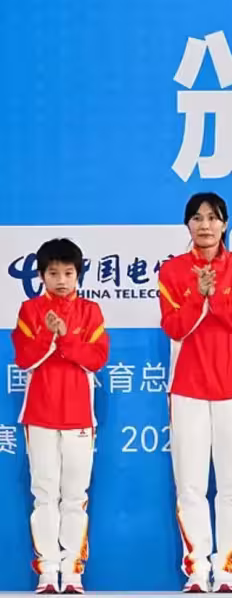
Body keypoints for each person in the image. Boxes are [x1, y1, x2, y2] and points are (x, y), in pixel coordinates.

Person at [157, 192, 232, 593]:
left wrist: (214, 295)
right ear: (187, 224)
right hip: (187, 390)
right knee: (190, 486)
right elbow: (174, 327)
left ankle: (226, 570)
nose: (205, 225)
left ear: (225, 224)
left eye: (213, 218)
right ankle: (197, 570)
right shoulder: (172, 271)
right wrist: (197, 295)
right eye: (197, 218)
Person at [11, 238, 110, 595]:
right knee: (44, 495)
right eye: (53, 273)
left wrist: (66, 338)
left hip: (79, 418)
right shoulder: (29, 311)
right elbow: (24, 358)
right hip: (39, 416)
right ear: (41, 276)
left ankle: (72, 572)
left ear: (78, 274)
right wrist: (47, 334)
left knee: (75, 496)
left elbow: (97, 359)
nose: (61, 280)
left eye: (68, 273)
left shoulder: (90, 311)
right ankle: (47, 571)